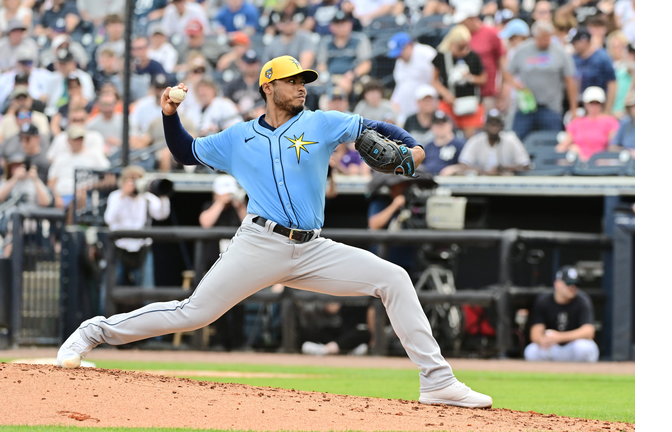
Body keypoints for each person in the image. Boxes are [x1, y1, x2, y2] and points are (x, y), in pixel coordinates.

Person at [57, 54, 493, 409]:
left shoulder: (320, 122)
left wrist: (412, 147)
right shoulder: (238, 137)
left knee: (393, 278)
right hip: (259, 242)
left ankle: (437, 381)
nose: (301, 86)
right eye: (291, 80)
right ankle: (94, 331)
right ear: (269, 87)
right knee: (194, 314)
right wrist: (170, 115)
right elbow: (185, 152)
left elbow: (375, 128)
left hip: (312, 248)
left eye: (304, 80)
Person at [198, 174, 249, 350]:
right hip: (215, 262)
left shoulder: (239, 208)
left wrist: (239, 205)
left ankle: (238, 342)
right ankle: (218, 341)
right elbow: (205, 222)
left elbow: (250, 225)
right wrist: (219, 202)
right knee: (216, 304)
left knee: (238, 305)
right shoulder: (210, 206)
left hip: (237, 263)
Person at [507, 20, 577, 141]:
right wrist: (515, 84)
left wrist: (573, 109)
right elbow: (508, 72)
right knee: (517, 141)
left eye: (548, 37)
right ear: (535, 36)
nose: (546, 41)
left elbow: (570, 81)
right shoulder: (522, 50)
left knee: (551, 143)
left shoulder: (559, 52)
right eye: (542, 38)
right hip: (526, 107)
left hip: (550, 107)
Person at [104, 165, 171, 288]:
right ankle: (105, 308)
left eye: (138, 179)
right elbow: (109, 219)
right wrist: (123, 195)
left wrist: (163, 195)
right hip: (119, 248)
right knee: (110, 286)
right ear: (123, 181)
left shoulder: (147, 198)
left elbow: (162, 215)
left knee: (147, 287)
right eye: (131, 179)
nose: (134, 183)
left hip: (142, 248)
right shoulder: (116, 196)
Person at [523, 265, 600, 362]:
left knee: (583, 347)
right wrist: (542, 340)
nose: (572, 287)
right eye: (569, 283)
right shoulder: (544, 301)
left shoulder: (582, 300)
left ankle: (580, 373)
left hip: (573, 347)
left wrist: (560, 337)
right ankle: (549, 374)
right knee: (532, 350)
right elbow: (535, 333)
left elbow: (589, 331)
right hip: (554, 348)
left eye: (575, 284)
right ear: (557, 284)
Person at [432, 24, 487, 137]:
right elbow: (434, 80)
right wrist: (446, 94)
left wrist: (470, 78)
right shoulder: (442, 57)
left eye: (466, 46)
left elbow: (483, 78)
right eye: (460, 47)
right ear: (452, 44)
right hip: (450, 103)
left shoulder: (473, 56)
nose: (464, 50)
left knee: (470, 138)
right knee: (447, 134)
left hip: (470, 103)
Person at [452, 2, 507, 112]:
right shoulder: (460, 36)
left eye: (463, 22)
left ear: (472, 18)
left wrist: (502, 92)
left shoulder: (491, 33)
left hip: (488, 94)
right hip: (466, 95)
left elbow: (502, 63)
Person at [47, 124, 111, 209]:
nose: (78, 141)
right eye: (75, 139)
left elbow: (109, 177)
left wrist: (88, 187)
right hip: (62, 195)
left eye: (81, 138)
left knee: (78, 200)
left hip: (85, 195)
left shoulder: (94, 156)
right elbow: (51, 183)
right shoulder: (60, 158)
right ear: (68, 140)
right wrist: (57, 197)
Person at [456, 108, 530, 175]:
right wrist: (484, 172)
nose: (494, 126)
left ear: (502, 125)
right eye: (491, 123)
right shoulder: (476, 140)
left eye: (497, 123)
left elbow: (526, 165)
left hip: (507, 183)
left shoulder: (511, 139)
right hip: (481, 183)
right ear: (485, 125)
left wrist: (503, 168)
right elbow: (462, 165)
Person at [315, 11, 372, 96]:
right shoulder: (326, 42)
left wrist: (353, 75)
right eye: (338, 24)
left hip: (353, 77)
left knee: (368, 84)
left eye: (344, 23)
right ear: (331, 26)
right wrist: (329, 77)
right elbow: (321, 65)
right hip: (331, 77)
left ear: (350, 24)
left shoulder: (359, 39)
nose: (341, 27)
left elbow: (366, 64)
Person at [555, 86, 619, 161]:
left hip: (601, 162)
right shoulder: (576, 123)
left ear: (602, 104)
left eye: (597, 103)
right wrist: (572, 149)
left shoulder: (609, 122)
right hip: (579, 163)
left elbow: (614, 146)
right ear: (585, 104)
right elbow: (562, 146)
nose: (594, 106)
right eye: (591, 103)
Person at [388, 32, 438, 125]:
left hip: (427, 112)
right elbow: (400, 84)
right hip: (406, 113)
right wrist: (394, 101)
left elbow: (438, 79)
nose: (398, 57)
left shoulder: (426, 53)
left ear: (409, 46)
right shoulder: (400, 61)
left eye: (400, 52)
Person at [571, 27, 616, 115]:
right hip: (579, 105)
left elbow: (612, 84)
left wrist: (607, 110)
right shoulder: (573, 58)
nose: (573, 45)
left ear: (584, 41)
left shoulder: (602, 57)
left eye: (574, 42)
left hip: (598, 104)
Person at [421, 110, 465, 176]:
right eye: (437, 125)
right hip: (428, 180)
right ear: (432, 127)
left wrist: (454, 169)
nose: (441, 127)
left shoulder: (460, 145)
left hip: (449, 182)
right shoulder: (428, 147)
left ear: (450, 125)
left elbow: (467, 165)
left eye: (443, 124)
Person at [223, 49, 263, 116]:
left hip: (258, 119)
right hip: (237, 118)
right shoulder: (234, 83)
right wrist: (235, 108)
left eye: (253, 63)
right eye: (248, 63)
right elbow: (225, 100)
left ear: (258, 64)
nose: (251, 66)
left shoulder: (264, 84)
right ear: (241, 64)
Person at [605, 30, 634, 118]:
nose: (617, 49)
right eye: (614, 46)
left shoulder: (629, 65)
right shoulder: (608, 64)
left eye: (620, 46)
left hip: (625, 109)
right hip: (611, 109)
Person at [86, 92, 124, 158]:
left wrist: (118, 142)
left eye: (110, 105)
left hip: (120, 155)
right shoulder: (92, 124)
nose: (107, 108)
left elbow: (134, 142)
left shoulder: (124, 121)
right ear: (99, 106)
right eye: (105, 105)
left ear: (115, 105)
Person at [608, 93, 634, 158]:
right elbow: (613, 147)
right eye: (633, 106)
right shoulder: (625, 124)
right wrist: (628, 152)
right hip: (626, 163)